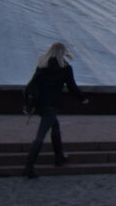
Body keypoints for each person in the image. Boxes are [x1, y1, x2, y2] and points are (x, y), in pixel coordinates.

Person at [23, 42, 86, 179]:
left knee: (55, 127)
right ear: (63, 52)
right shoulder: (65, 68)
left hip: (40, 105)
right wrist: (82, 98)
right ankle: (29, 166)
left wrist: (28, 102)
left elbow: (31, 84)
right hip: (52, 105)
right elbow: (72, 87)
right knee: (40, 136)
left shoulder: (42, 66)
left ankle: (59, 157)